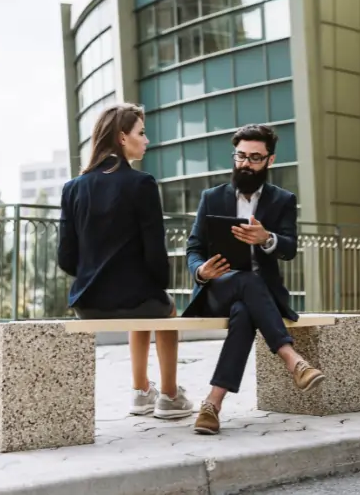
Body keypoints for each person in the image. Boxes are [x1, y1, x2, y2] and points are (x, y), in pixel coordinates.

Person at [184, 124, 324, 434]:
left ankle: (212, 404)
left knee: (246, 310)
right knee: (245, 282)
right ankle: (292, 358)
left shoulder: (283, 200)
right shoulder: (211, 197)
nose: (245, 164)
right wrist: (201, 271)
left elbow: (289, 248)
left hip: (258, 299)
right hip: (217, 290)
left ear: (270, 161)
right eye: (241, 156)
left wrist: (266, 238)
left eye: (255, 158)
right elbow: (193, 248)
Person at [58, 103, 192, 420]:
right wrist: (158, 287)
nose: (146, 140)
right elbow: (155, 254)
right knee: (162, 306)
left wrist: (94, 276)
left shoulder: (72, 188)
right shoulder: (141, 183)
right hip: (135, 299)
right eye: (141, 133)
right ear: (122, 137)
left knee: (145, 302)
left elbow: (66, 258)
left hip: (87, 302)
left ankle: (141, 391)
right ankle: (170, 396)